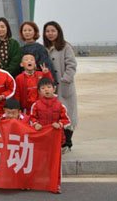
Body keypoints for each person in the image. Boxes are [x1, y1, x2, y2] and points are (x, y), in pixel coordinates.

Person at [43, 21, 78, 152]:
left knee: (68, 113)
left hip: (64, 87)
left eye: (53, 31)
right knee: (55, 115)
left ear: (58, 32)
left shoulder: (65, 47)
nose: (50, 33)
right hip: (51, 88)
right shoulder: (45, 48)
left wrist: (65, 80)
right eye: (47, 31)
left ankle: (67, 143)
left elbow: (71, 65)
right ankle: (59, 142)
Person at [30, 78, 71, 148]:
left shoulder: (60, 105)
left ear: (54, 89)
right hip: (41, 135)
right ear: (39, 91)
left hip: (55, 137)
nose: (46, 90)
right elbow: (31, 118)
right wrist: (35, 124)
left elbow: (67, 120)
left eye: (49, 87)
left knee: (55, 154)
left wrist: (59, 124)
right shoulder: (35, 105)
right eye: (43, 88)